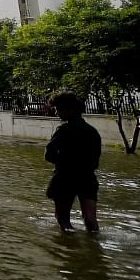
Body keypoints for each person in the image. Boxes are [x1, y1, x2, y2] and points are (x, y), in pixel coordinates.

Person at [44, 91, 102, 232]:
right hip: (88, 178)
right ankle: (94, 247)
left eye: (59, 109)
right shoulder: (92, 131)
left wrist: (64, 162)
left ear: (69, 109)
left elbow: (49, 155)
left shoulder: (63, 130)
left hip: (64, 178)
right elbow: (95, 161)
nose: (57, 113)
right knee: (90, 220)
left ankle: (68, 249)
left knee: (63, 220)